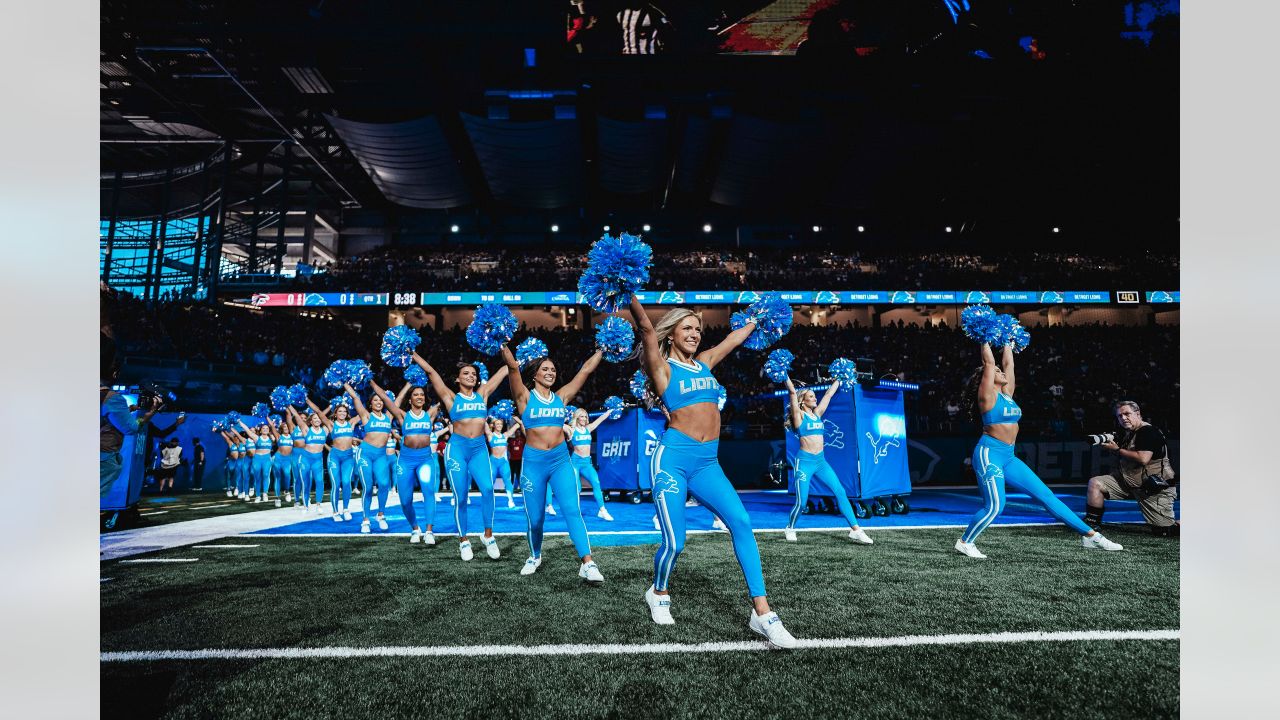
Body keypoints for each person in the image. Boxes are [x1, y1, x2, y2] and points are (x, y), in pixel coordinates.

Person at [628, 296, 796, 647]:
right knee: (675, 542)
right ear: (671, 334)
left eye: (698, 329)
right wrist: (628, 291)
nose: (694, 334)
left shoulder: (704, 362)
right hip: (672, 460)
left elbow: (733, 340)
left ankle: (762, 613)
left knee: (742, 522)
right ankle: (658, 592)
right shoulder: (662, 368)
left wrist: (760, 317)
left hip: (708, 463)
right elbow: (645, 327)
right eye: (686, 328)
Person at [955, 342, 1124, 558]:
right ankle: (965, 542)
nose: (1000, 371)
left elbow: (1009, 364)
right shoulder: (987, 397)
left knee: (1047, 496)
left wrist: (1007, 342)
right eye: (996, 371)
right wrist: (985, 337)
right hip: (989, 454)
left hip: (1008, 456)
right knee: (996, 505)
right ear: (985, 380)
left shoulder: (1007, 394)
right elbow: (989, 361)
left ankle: (1091, 536)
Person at [498, 341, 605, 582]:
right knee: (536, 519)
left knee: (572, 510)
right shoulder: (524, 397)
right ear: (535, 374)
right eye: (545, 369)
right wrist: (502, 344)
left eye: (553, 370)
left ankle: (587, 562)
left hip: (560, 461)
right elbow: (513, 369)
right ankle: (535, 555)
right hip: (534, 463)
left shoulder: (561, 397)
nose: (550, 373)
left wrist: (601, 350)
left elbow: (585, 371)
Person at [409, 352, 510, 561]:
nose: (471, 376)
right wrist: (413, 354)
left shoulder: (483, 393)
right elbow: (431, 372)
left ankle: (488, 536)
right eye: (466, 373)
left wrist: (508, 350)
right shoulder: (450, 397)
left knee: (489, 489)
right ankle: (463, 540)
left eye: (474, 373)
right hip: (457, 450)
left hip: (479, 449)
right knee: (461, 497)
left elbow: (505, 370)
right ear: (457, 378)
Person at [781, 378, 873, 545]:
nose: (815, 398)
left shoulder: (817, 415)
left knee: (840, 492)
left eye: (815, 396)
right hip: (805, 462)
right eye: (811, 396)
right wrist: (785, 375)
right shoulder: (799, 416)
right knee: (802, 502)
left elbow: (829, 394)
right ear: (803, 401)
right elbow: (793, 392)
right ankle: (790, 527)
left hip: (821, 462)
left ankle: (856, 530)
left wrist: (840, 377)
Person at [1084, 401, 1178, 536]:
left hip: (1153, 487)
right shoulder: (1129, 432)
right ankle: (1092, 524)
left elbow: (1143, 458)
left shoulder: (1147, 431)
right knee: (1096, 483)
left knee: (1164, 531)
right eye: (1119, 416)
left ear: (1138, 414)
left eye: (1127, 414)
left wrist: (1116, 449)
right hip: (1129, 482)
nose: (1123, 418)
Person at [372, 378, 438, 544]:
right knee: (405, 499)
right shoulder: (402, 415)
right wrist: (371, 381)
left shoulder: (431, 413)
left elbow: (444, 396)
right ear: (410, 399)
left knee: (429, 493)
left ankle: (429, 531)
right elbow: (387, 399)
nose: (419, 397)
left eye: (422, 394)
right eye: (415, 394)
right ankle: (415, 528)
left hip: (425, 459)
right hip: (406, 460)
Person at [347, 381, 397, 533]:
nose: (379, 402)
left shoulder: (388, 416)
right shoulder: (366, 415)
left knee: (384, 484)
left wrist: (408, 384)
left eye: (381, 400)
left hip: (381, 456)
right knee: (368, 487)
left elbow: (398, 399)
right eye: (375, 400)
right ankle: (365, 519)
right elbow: (355, 398)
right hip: (366, 454)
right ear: (370, 403)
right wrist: (344, 382)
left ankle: (381, 515)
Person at [100, 386, 161, 498]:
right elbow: (131, 428)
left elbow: (108, 416)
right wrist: (149, 415)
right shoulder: (112, 397)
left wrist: (131, 408)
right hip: (104, 452)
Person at [306, 396, 358, 522]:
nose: (342, 413)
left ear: (347, 413)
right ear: (335, 413)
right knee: (336, 484)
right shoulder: (330, 424)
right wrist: (306, 399)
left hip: (348, 458)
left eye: (344, 411)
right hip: (334, 457)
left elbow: (362, 409)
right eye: (339, 411)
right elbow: (318, 411)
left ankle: (345, 509)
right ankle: (335, 512)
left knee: (346, 482)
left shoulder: (351, 423)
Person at [565, 408, 614, 521]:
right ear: (577, 417)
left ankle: (602, 511)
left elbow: (601, 419)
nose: (584, 418)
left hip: (587, 463)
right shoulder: (571, 430)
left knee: (596, 482)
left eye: (586, 416)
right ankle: (574, 513)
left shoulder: (588, 428)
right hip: (575, 462)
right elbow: (558, 425)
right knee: (577, 488)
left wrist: (610, 411)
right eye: (582, 416)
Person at [286, 403, 330, 514]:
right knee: (305, 483)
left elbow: (322, 413)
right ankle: (305, 506)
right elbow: (296, 415)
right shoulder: (305, 429)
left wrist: (331, 406)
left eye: (319, 418)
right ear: (310, 421)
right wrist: (288, 404)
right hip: (305, 459)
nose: (317, 419)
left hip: (318, 460)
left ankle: (318, 504)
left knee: (320, 481)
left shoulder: (325, 429)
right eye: (315, 418)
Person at [485, 416, 523, 509]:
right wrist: (486, 417)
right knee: (490, 483)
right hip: (493, 462)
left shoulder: (505, 435)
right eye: (497, 424)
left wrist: (513, 416)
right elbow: (484, 424)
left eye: (501, 424)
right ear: (493, 425)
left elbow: (519, 424)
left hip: (503, 462)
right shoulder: (490, 435)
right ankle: (488, 502)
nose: (499, 425)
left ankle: (510, 501)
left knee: (508, 482)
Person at [237, 418, 275, 504]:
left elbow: (273, 427)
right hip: (257, 459)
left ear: (269, 430)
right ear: (260, 430)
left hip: (267, 459)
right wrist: (239, 422)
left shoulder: (272, 438)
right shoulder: (256, 437)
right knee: (257, 477)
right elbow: (247, 429)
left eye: (267, 428)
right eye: (263, 428)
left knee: (266, 475)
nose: (265, 430)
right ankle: (258, 495)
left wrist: (268, 418)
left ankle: (265, 493)